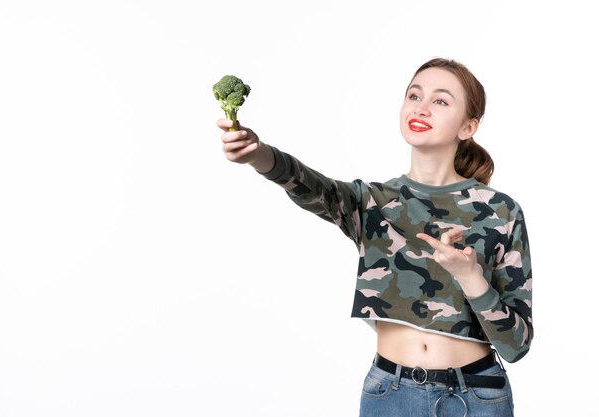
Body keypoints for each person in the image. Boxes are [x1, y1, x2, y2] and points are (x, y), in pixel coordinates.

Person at [216, 58, 532, 417]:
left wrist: (471, 277)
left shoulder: (501, 211)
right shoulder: (372, 203)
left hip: (478, 395)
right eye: (414, 95)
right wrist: (259, 154)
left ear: (468, 126)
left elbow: (516, 346)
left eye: (440, 101)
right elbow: (311, 186)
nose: (421, 107)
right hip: (392, 396)